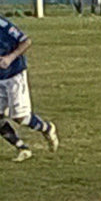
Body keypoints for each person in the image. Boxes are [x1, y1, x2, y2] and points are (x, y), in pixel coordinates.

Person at [0, 15, 58, 163]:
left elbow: (26, 41)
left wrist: (10, 58)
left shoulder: (3, 25)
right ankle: (23, 149)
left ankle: (46, 128)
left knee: (20, 118)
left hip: (13, 76)